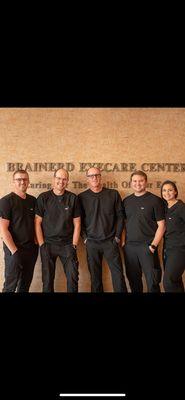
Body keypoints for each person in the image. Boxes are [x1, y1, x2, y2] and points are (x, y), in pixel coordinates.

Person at [78, 167, 127, 292]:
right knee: (95, 278)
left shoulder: (113, 194)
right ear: (87, 179)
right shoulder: (82, 197)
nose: (94, 178)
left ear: (100, 176)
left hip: (110, 242)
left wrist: (116, 237)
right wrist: (85, 239)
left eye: (96, 175)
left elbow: (120, 217)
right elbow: (79, 220)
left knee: (118, 275)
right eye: (91, 176)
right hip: (91, 243)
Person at [35, 168, 81, 292]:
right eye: (59, 178)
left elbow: (77, 224)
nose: (61, 181)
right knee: (47, 280)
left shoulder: (73, 198)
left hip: (67, 245)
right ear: (53, 180)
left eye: (64, 179)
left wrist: (74, 245)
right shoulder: (43, 198)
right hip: (48, 245)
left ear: (67, 181)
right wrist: (42, 245)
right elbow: (37, 223)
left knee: (73, 278)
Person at [122, 170, 165, 293]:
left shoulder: (155, 201)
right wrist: (124, 244)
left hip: (148, 247)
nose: (138, 183)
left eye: (141, 181)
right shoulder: (126, 201)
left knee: (153, 282)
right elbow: (123, 224)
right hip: (130, 248)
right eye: (135, 181)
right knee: (134, 282)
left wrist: (153, 246)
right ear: (131, 183)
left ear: (146, 182)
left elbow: (162, 225)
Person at [0, 170, 38, 292]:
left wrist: (36, 242)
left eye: (25, 179)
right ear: (13, 182)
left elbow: (36, 223)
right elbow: (3, 229)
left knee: (25, 285)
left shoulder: (33, 200)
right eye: (19, 179)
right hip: (14, 250)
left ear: (28, 181)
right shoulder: (6, 201)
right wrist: (14, 251)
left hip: (31, 249)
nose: (22, 182)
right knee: (10, 285)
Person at [161, 180, 185, 292]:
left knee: (168, 281)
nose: (167, 193)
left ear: (175, 191)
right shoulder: (165, 208)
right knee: (176, 281)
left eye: (170, 190)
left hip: (180, 250)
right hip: (167, 249)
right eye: (164, 190)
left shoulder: (181, 207)